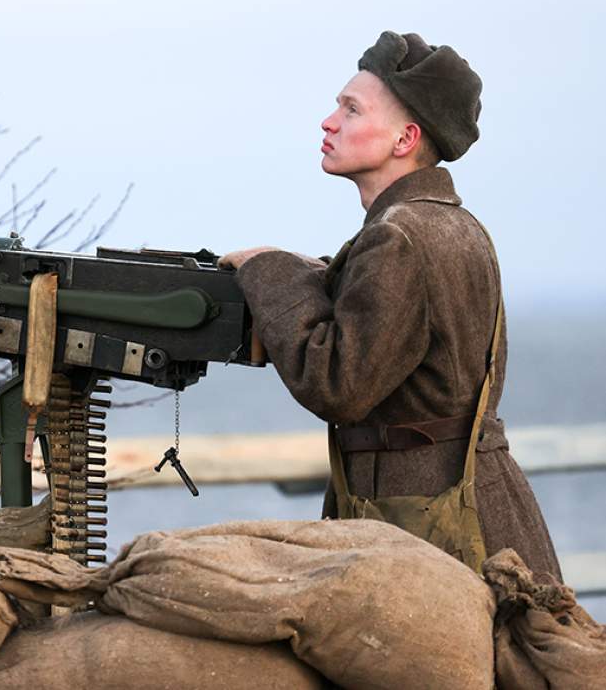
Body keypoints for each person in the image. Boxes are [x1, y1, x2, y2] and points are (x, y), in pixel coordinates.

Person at [221, 31, 561, 581]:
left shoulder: (399, 236)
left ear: (405, 138)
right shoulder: (456, 224)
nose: (328, 122)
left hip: (429, 530)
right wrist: (311, 273)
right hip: (472, 511)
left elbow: (339, 383)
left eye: (351, 110)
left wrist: (269, 269)